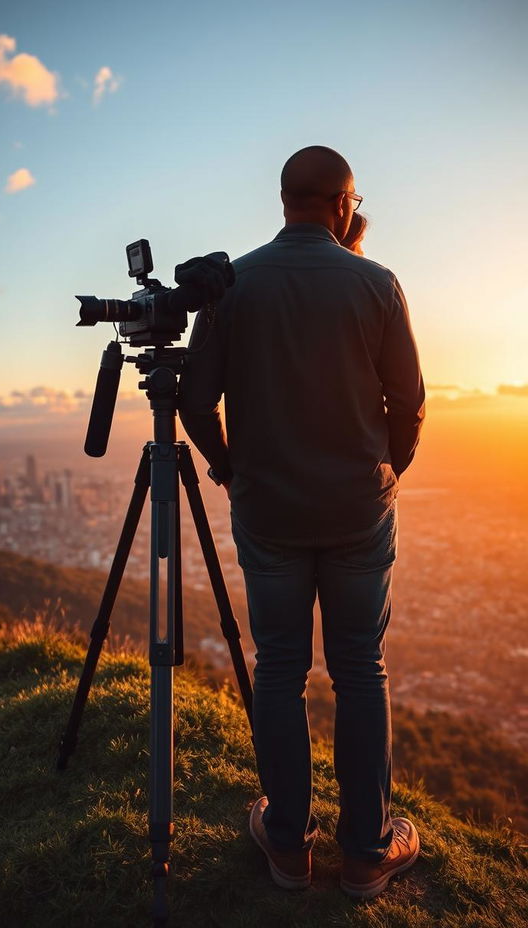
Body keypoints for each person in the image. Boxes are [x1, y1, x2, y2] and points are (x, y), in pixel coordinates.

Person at [178, 145, 425, 899]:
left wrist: (231, 469)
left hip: (270, 512)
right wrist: (386, 471)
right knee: (360, 669)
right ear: (345, 204)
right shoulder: (377, 283)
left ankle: (288, 847)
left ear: (284, 201)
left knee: (279, 671)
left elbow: (192, 402)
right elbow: (408, 403)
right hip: (357, 510)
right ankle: (366, 853)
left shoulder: (234, 285)